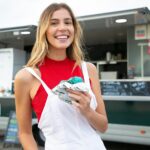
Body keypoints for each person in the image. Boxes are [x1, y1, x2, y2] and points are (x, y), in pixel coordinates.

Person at [14, 3, 108, 150]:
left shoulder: (88, 69)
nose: (63, 27)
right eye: (54, 23)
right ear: (44, 30)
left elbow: (103, 126)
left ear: (74, 29)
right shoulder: (26, 77)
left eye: (68, 22)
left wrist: (87, 111)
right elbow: (25, 133)